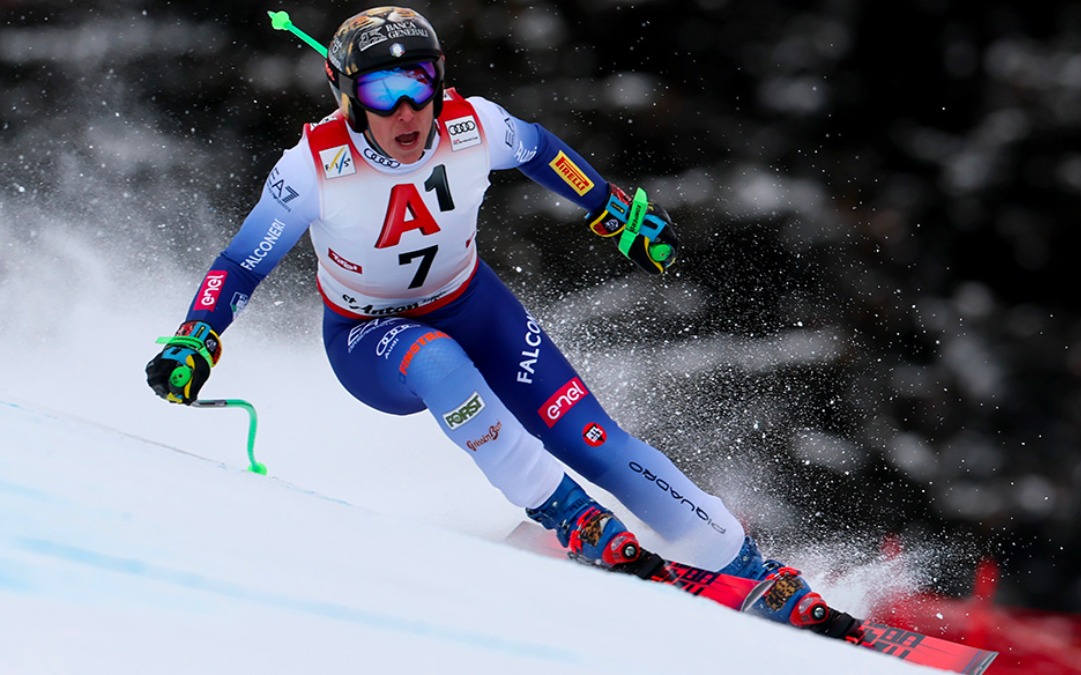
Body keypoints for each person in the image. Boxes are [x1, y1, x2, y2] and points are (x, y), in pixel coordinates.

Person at [145, 6, 862, 641]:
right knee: (435, 360)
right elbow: (240, 263)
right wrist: (197, 334)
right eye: (381, 93)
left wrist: (613, 212)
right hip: (371, 339)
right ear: (347, 97)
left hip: (473, 304)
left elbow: (543, 151)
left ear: (439, 80)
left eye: (418, 84)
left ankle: (743, 562)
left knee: (595, 438)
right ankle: (567, 514)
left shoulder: (472, 124)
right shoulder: (314, 166)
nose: (406, 112)